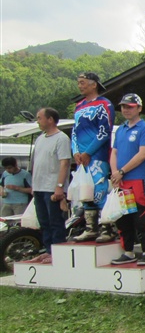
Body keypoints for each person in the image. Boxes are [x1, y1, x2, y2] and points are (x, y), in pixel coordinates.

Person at [109, 94, 145, 266]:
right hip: (121, 181)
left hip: (137, 179)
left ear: (139, 108)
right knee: (123, 217)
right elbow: (114, 152)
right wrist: (114, 173)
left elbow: (143, 154)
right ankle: (128, 251)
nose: (126, 110)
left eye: (130, 107)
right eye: (123, 107)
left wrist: (122, 171)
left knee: (141, 216)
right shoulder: (120, 129)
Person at [71, 72, 115, 242]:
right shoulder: (78, 106)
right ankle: (91, 228)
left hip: (97, 156)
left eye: (82, 82)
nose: (79, 86)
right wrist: (75, 151)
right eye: (78, 82)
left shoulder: (104, 104)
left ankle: (107, 229)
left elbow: (105, 131)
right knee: (85, 192)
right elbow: (74, 131)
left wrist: (88, 152)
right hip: (81, 158)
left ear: (93, 84)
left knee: (99, 191)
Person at [29, 108, 71, 263]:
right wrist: (33, 185)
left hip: (52, 188)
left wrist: (59, 186)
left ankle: (58, 251)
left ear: (50, 119)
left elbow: (65, 163)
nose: (38, 121)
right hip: (39, 187)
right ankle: (48, 250)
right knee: (43, 222)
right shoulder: (40, 138)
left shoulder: (62, 138)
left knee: (55, 221)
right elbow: (36, 163)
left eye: (39, 118)